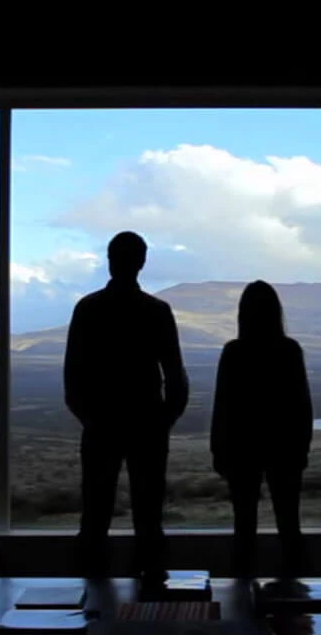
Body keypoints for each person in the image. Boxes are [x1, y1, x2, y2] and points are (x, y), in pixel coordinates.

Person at [64, 231, 189, 582]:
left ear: (109, 259)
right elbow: (176, 373)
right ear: (142, 262)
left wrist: (90, 418)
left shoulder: (88, 308)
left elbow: (72, 377)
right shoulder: (157, 311)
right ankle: (150, 596)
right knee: (148, 516)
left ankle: (90, 601)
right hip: (147, 422)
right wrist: (166, 417)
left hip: (102, 422)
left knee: (95, 515)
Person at [210, 280, 313, 579]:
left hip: (242, 448)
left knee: (243, 525)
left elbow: (223, 406)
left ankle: (243, 592)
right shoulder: (289, 350)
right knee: (289, 523)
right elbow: (301, 405)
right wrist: (302, 447)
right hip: (284, 447)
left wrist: (219, 449)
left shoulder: (234, 352)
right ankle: (295, 592)